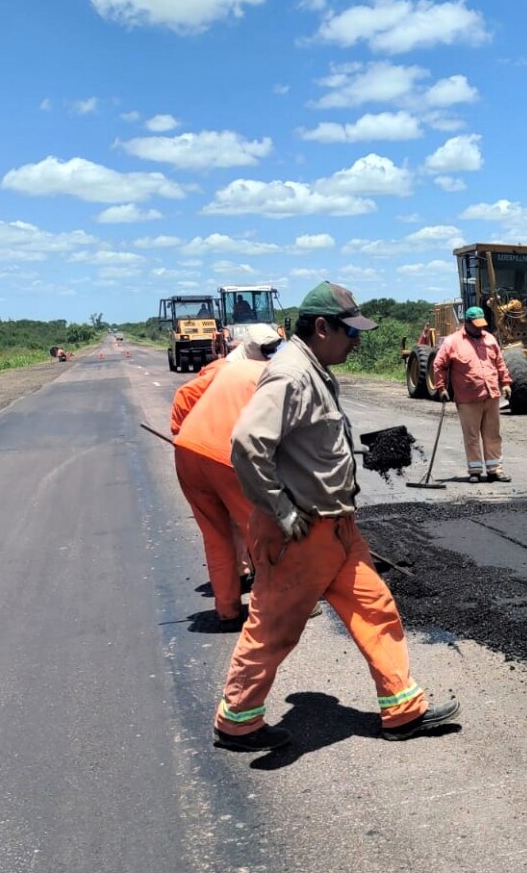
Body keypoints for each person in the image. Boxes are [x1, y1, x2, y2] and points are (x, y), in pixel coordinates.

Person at [213, 281, 461, 752]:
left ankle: (403, 710)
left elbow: (309, 440)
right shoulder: (290, 374)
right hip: (300, 533)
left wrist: (355, 450)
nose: (357, 341)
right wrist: (282, 511)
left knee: (375, 607)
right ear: (322, 327)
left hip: (337, 529)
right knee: (274, 628)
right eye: (350, 332)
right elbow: (247, 443)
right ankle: (238, 721)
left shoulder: (315, 368)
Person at [172, 324, 283, 628]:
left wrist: (185, 434)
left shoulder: (237, 369)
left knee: (217, 535)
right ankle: (280, 606)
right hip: (224, 456)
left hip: (189, 452)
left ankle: (227, 610)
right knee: (261, 532)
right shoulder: (270, 376)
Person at [431, 306, 513, 483]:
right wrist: (441, 388)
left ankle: (494, 470)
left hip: (491, 395)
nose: (480, 328)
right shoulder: (452, 342)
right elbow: (439, 365)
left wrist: (506, 383)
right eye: (476, 325)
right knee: (472, 435)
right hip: (468, 398)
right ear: (467, 323)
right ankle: (474, 470)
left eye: (482, 325)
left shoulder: (490, 339)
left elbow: (500, 363)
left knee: (493, 435)